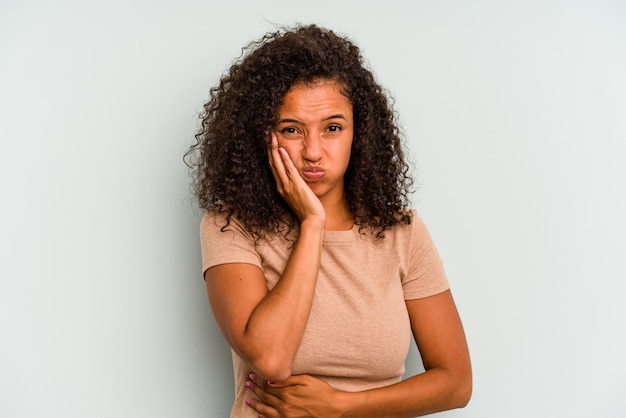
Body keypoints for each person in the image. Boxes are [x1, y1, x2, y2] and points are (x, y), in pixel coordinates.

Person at [185, 24, 472, 417]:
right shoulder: (231, 225)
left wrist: (342, 406)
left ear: (360, 132)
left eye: (332, 128)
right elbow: (271, 359)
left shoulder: (401, 232)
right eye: (291, 130)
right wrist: (312, 225)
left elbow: (455, 381)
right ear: (262, 135)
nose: (313, 152)